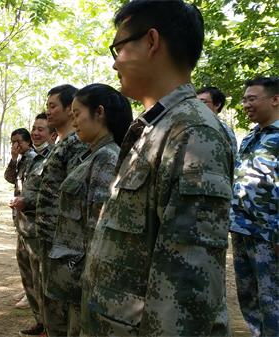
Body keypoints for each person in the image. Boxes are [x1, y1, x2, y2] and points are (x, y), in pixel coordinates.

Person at [80, 1, 233, 336]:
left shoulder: (193, 134)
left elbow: (188, 287)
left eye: (118, 47)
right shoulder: (156, 128)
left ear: (151, 42)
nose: (115, 61)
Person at [45, 83, 132, 336]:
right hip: (76, 277)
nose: (74, 122)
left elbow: (98, 228)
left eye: (77, 114)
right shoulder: (94, 156)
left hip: (87, 279)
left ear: (100, 112)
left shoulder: (107, 158)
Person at [35, 84, 88, 337]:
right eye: (47, 106)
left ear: (70, 108)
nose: (48, 112)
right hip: (49, 238)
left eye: (53, 106)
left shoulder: (76, 145)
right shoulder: (60, 143)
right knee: (51, 301)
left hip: (63, 243)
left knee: (63, 308)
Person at [230, 76, 278, 337]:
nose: (246, 104)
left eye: (252, 98)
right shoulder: (251, 136)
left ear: (275, 99)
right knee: (249, 298)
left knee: (273, 301)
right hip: (242, 229)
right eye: (244, 98)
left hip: (269, 235)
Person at [10, 113, 54, 336]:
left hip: (39, 229)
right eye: (34, 128)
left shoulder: (53, 158)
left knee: (41, 281)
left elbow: (53, 195)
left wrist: (27, 201)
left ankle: (48, 326)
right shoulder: (27, 157)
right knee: (28, 278)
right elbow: (11, 178)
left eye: (41, 129)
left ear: (51, 132)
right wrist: (13, 157)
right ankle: (39, 321)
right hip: (23, 227)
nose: (36, 133)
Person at [4, 128, 37, 309]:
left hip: (29, 218)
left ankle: (31, 294)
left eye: (18, 142)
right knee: (22, 257)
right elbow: (9, 178)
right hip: (20, 217)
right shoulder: (21, 159)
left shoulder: (33, 158)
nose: (15, 145)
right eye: (12, 142)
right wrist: (13, 158)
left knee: (29, 259)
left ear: (27, 142)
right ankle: (28, 290)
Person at [197, 86, 238, 155]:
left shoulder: (223, 130)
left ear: (217, 105)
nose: (197, 105)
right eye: (196, 102)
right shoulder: (198, 126)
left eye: (202, 101)